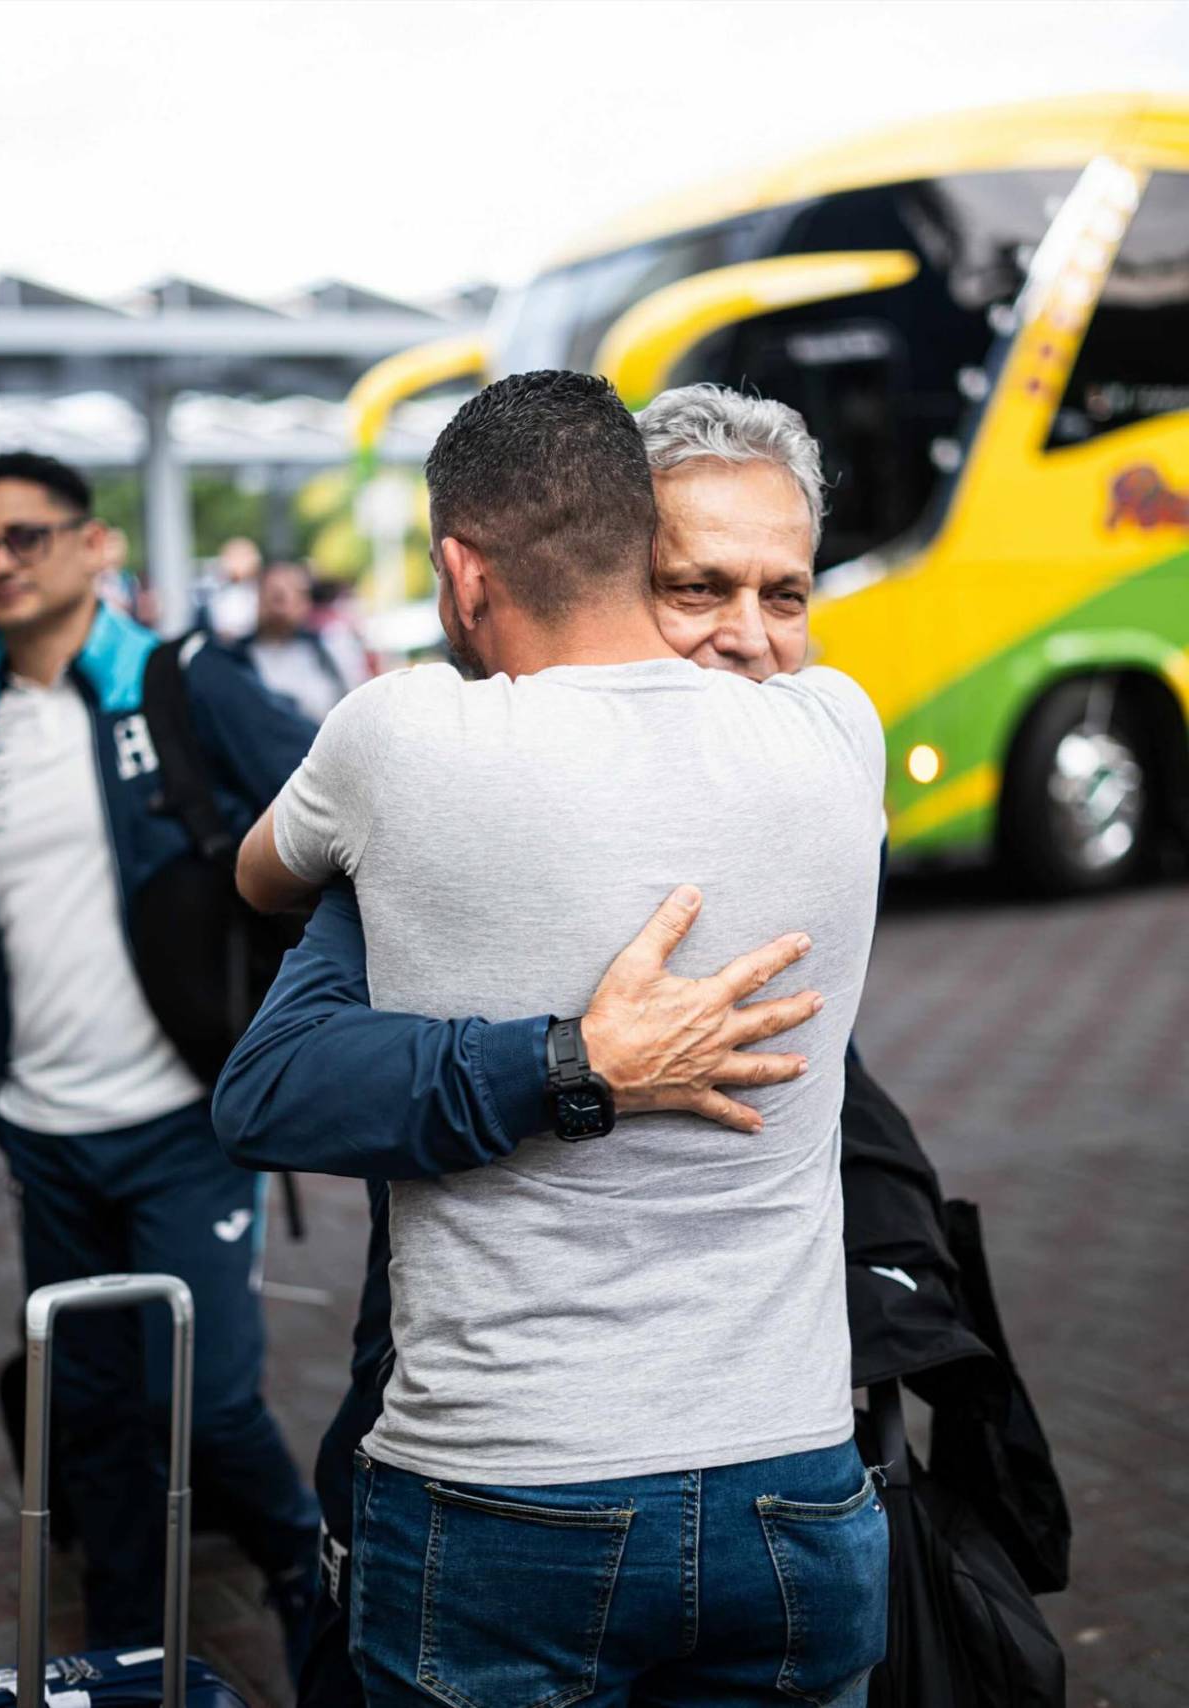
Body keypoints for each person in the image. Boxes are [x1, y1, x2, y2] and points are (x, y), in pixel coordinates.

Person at [232, 372, 888, 1705]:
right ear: (615, 558)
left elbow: (262, 887)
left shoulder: (412, 740)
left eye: (786, 594)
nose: (750, 638)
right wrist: (573, 1057)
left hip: (519, 1489)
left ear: (472, 573)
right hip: (793, 1498)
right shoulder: (845, 739)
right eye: (698, 588)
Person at [0, 452, 320, 1667]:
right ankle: (128, 1646)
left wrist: (289, 1013)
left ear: (96, 544)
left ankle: (301, 1565)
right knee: (89, 1412)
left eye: (27, 535)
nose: (3, 563)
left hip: (185, 1114)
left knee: (213, 1401)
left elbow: (332, 804)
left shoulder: (175, 683)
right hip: (43, 1126)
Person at [237, 560, 367, 724]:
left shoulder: (330, 649)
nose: (283, 605)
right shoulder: (236, 658)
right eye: (276, 595)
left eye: (296, 593)